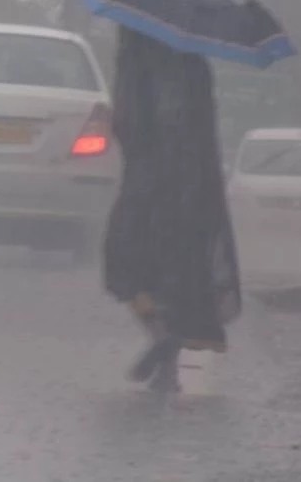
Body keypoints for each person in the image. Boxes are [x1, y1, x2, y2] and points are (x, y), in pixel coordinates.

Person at [103, 26, 241, 393]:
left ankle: (161, 335)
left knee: (123, 267)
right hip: (193, 187)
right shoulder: (195, 65)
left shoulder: (136, 60)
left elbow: (130, 125)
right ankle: (170, 370)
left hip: (147, 186)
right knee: (178, 273)